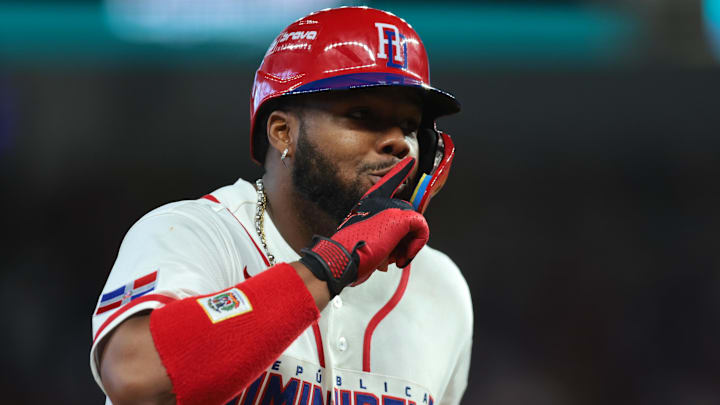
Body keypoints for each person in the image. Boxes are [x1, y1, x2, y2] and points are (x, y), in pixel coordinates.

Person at [90, 6, 472, 405]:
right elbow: (135, 377)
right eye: (362, 115)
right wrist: (330, 266)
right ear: (282, 131)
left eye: (409, 127)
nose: (397, 142)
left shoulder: (440, 289)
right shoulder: (195, 235)